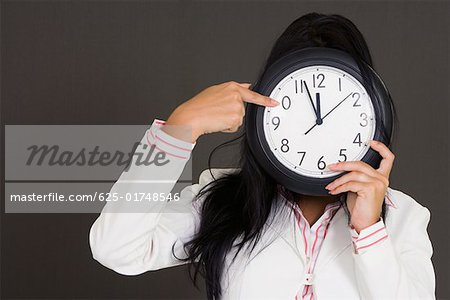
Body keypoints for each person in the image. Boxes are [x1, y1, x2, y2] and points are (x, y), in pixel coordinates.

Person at [89, 13, 436, 300]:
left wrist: (369, 230)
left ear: (370, 112)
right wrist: (178, 130)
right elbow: (116, 248)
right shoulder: (225, 200)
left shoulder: (402, 217)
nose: (318, 125)